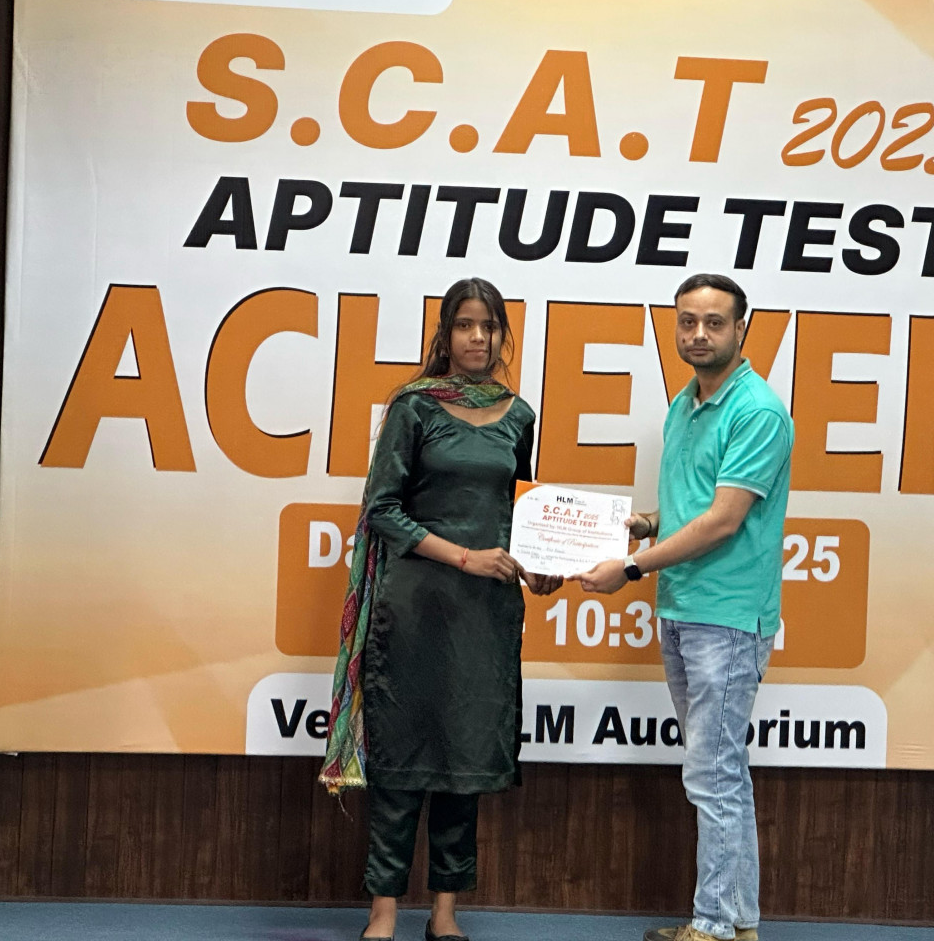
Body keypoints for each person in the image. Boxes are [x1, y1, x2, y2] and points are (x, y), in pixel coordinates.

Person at [320, 277, 561, 941]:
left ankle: (445, 912)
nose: (478, 337)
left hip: (485, 616)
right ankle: (384, 912)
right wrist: (464, 556)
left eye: (489, 326)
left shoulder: (519, 416)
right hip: (415, 609)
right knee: (400, 759)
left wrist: (539, 564)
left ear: (501, 335)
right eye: (464, 325)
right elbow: (382, 510)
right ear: (445, 334)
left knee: (464, 761)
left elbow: (517, 511)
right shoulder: (415, 407)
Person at [575, 273, 793, 941]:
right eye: (687, 321)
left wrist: (631, 567)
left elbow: (723, 521)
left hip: (727, 617)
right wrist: (644, 524)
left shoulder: (757, 411)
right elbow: (693, 507)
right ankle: (737, 922)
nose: (698, 334)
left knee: (712, 774)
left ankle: (712, 926)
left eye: (714, 323)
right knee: (722, 772)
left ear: (742, 329)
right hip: (682, 608)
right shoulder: (684, 403)